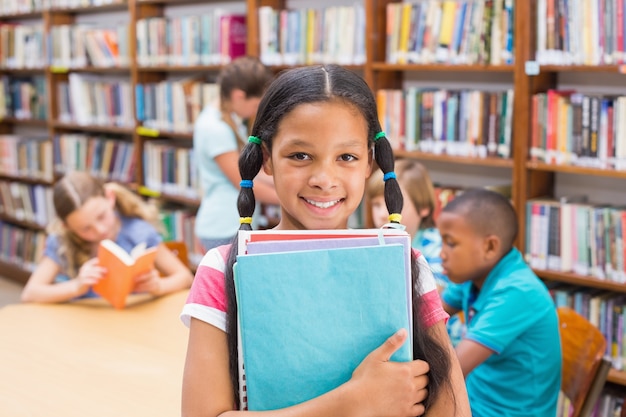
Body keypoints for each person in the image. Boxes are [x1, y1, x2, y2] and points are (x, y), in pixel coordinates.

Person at [180, 64, 470, 417]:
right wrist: (353, 402)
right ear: (267, 160)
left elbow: (452, 407)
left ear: (369, 164)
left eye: (346, 157)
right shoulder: (222, 270)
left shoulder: (405, 265)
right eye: (300, 156)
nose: (323, 178)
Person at [438, 188, 562, 417]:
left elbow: (453, 370)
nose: (441, 253)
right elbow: (429, 311)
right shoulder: (475, 273)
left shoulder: (517, 292)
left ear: (490, 247)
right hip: (475, 402)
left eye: (451, 244)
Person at [20, 171, 193, 304]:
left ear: (110, 198)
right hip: (85, 326)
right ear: (68, 227)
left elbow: (185, 277)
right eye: (85, 228)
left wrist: (158, 286)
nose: (100, 230)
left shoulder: (139, 232)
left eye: (102, 216)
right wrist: (76, 286)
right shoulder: (62, 242)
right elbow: (30, 293)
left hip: (133, 322)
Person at [367, 158, 464, 346]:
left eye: (391, 205)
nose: (381, 214)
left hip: (438, 341)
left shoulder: (437, 245)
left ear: (424, 208)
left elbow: (434, 300)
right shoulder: (375, 243)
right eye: (376, 205)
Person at [194, 56, 279, 251]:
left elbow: (252, 173)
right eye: (256, 105)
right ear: (239, 96)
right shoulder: (216, 128)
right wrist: (290, 196)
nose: (256, 112)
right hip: (223, 227)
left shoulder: (227, 119)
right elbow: (245, 183)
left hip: (229, 222)